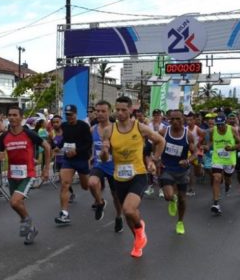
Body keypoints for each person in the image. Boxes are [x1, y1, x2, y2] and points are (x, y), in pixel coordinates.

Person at [100, 96, 165, 258]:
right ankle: (138, 240)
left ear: (130, 110)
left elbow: (160, 141)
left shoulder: (140, 127)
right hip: (119, 177)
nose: (120, 113)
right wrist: (104, 152)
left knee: (129, 209)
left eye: (123, 109)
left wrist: (154, 160)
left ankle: (140, 229)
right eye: (118, 109)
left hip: (138, 174)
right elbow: (104, 157)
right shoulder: (109, 130)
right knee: (128, 214)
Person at [0, 106, 50, 245]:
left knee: (14, 201)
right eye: (10, 115)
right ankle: (31, 229)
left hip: (28, 174)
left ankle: (27, 221)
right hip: (12, 174)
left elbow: (47, 147)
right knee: (16, 204)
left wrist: (45, 169)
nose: (12, 117)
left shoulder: (29, 134)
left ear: (21, 117)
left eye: (15, 115)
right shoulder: (4, 136)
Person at [54, 104, 102, 226]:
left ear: (76, 114)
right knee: (64, 184)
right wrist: (58, 147)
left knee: (86, 186)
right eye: (67, 115)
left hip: (81, 159)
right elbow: (64, 140)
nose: (69, 117)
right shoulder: (64, 126)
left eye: (71, 114)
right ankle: (64, 213)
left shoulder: (83, 126)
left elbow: (88, 143)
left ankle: (99, 201)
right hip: (68, 160)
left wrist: (77, 151)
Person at [157, 110, 196, 235]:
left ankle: (180, 222)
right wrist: (156, 157)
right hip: (167, 168)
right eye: (172, 119)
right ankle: (172, 199)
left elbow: (195, 153)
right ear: (169, 120)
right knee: (168, 196)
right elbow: (155, 144)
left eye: (178, 119)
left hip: (182, 171)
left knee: (183, 199)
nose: (175, 122)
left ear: (183, 119)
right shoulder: (163, 132)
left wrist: (188, 160)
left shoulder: (188, 135)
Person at [90, 100, 123, 232]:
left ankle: (119, 216)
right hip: (100, 164)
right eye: (97, 111)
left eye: (103, 111)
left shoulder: (117, 128)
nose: (100, 114)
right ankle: (100, 203)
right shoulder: (92, 129)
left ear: (109, 112)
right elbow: (91, 146)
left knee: (116, 196)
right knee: (91, 183)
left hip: (114, 167)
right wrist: (90, 157)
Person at [208, 114, 240, 215]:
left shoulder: (232, 130)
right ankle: (216, 204)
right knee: (216, 178)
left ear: (225, 122)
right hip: (217, 158)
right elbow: (210, 142)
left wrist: (231, 148)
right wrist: (206, 146)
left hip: (229, 159)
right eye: (218, 125)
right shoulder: (212, 130)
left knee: (227, 179)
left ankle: (228, 185)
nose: (220, 127)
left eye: (221, 124)